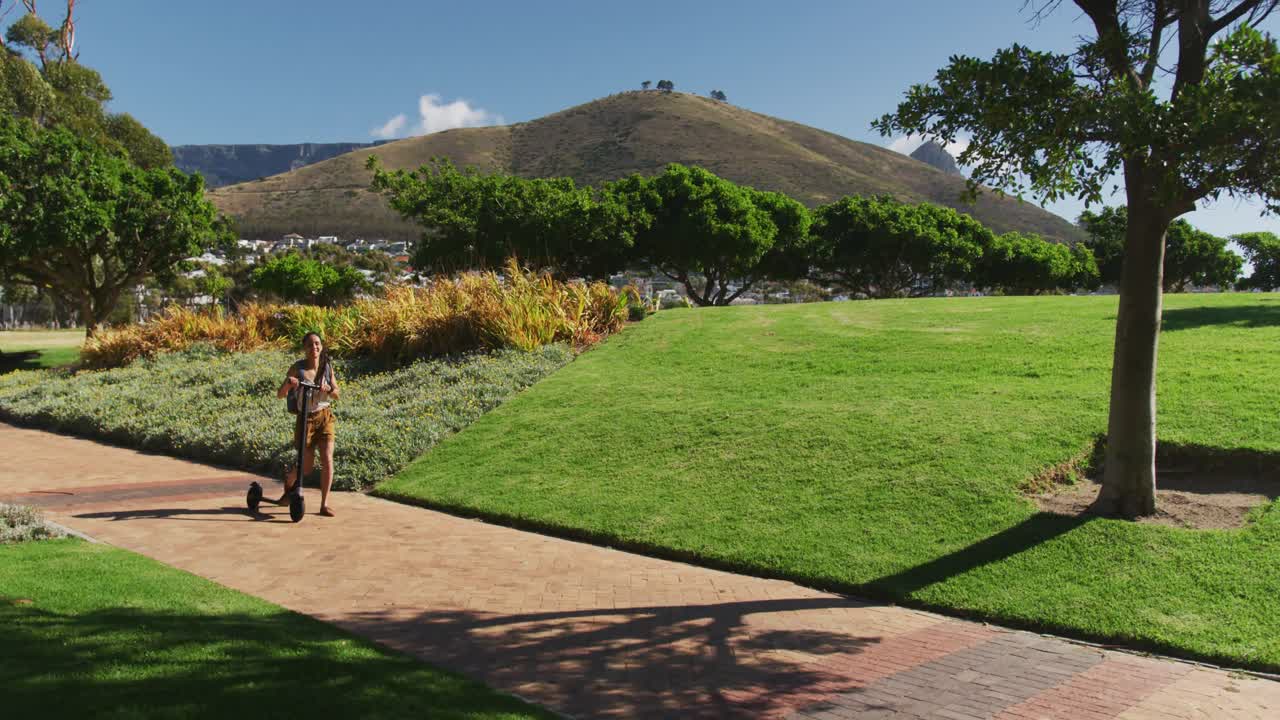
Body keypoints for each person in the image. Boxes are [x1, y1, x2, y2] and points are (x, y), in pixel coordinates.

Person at [275, 331, 340, 517]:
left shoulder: (327, 367)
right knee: (307, 466)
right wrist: (289, 384)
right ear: (305, 348)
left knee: (327, 458)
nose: (315, 348)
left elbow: (337, 393)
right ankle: (290, 480)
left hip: (325, 416)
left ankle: (324, 504)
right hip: (306, 419)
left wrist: (329, 389)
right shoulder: (298, 368)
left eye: (317, 344)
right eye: (310, 345)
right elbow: (281, 393)